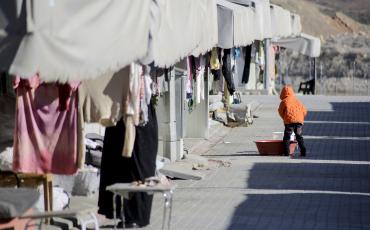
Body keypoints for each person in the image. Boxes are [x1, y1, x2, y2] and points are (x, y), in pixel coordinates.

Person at [278, 85, 307, 157]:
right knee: (299, 136)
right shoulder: (297, 101)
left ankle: (286, 152)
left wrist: (285, 118)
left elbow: (280, 111)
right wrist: (300, 118)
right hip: (299, 122)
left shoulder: (284, 101)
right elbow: (304, 111)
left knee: (287, 137)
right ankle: (303, 151)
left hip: (289, 122)